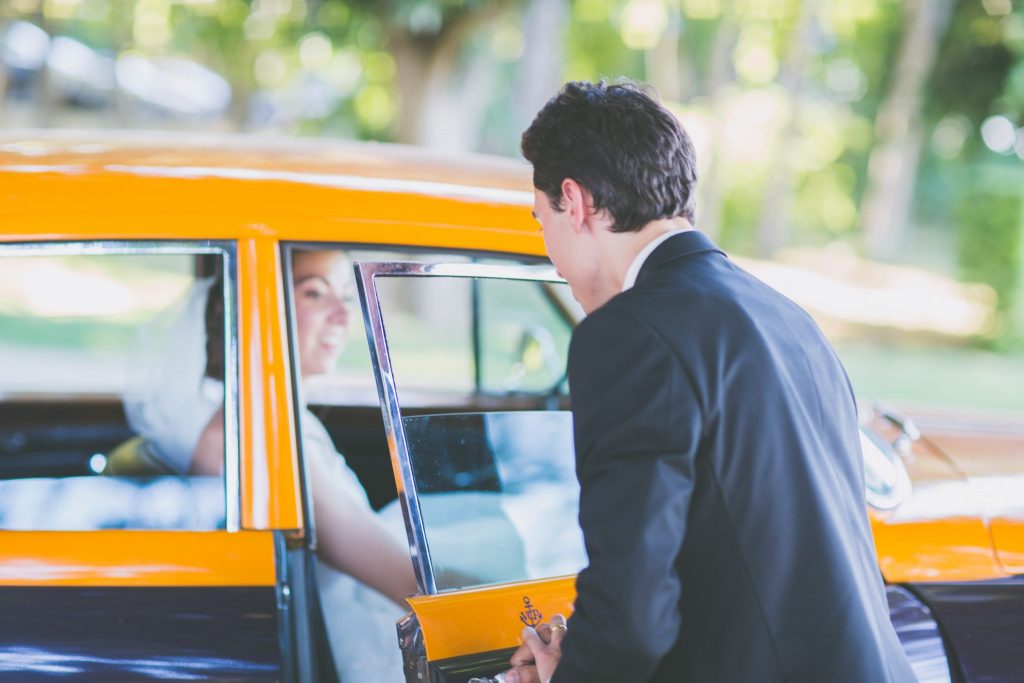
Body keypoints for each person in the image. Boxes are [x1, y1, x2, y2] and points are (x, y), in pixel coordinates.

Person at [504, 81, 916, 683]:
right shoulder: (787, 317)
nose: (553, 259)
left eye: (543, 224)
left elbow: (634, 617)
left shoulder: (627, 335)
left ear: (576, 202)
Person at [127, 249, 417, 682]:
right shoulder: (254, 436)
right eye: (316, 293)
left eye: (345, 296)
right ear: (255, 307)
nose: (342, 316)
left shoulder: (270, 416)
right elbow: (408, 585)